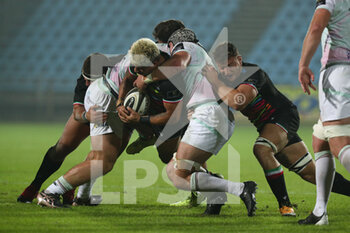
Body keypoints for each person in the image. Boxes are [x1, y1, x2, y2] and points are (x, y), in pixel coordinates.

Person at [202, 42, 350, 216]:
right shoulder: (221, 79)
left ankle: (285, 206)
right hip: (266, 126)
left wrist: (215, 81)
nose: (227, 71)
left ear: (239, 60)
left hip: (284, 116)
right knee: (311, 174)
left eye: (231, 65)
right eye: (222, 68)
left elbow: (238, 102)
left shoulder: (253, 73)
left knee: (262, 148)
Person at [36, 39, 187, 208]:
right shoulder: (148, 58)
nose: (137, 70)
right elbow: (128, 79)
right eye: (135, 67)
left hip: (109, 95)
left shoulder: (153, 56)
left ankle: (83, 197)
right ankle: (50, 193)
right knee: (103, 162)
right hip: (106, 98)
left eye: (140, 68)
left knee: (102, 157)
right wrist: (119, 103)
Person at [146, 28, 258, 216]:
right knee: (178, 170)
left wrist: (147, 78)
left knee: (176, 174)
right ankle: (216, 196)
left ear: (173, 44)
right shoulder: (201, 58)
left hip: (208, 116)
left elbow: (178, 63)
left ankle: (241, 188)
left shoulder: (185, 48)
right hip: (209, 115)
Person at [17, 53, 111, 204]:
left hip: (112, 117)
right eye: (84, 78)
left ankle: (72, 189)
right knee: (63, 146)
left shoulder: (119, 79)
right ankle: (34, 186)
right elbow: (77, 113)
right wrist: (88, 117)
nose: (86, 83)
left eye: (90, 80)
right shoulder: (84, 82)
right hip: (90, 113)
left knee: (100, 156)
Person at [298, 0, 350, 225]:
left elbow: (316, 28)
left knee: (338, 141)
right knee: (321, 139)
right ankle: (320, 212)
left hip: (339, 72)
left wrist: (303, 64)